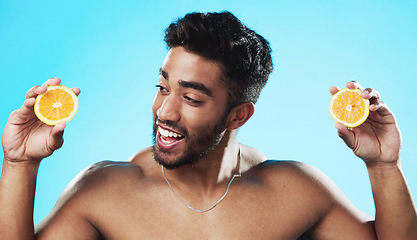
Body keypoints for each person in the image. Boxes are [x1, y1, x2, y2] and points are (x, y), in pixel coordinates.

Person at [1, 11, 416, 240]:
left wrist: (384, 166)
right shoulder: (104, 191)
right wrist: (19, 164)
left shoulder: (294, 191)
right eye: (162, 87)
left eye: (192, 98)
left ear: (239, 115)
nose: (165, 111)